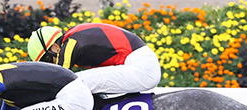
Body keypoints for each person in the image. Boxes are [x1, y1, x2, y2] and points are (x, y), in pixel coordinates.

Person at [27, 23, 161, 95]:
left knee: (76, 82)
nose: (51, 64)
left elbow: (59, 77)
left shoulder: (71, 42)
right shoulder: (74, 35)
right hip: (141, 65)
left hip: (141, 67)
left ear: (55, 47)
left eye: (48, 60)